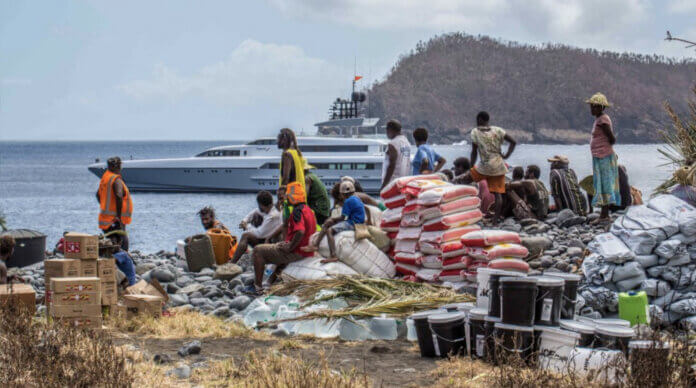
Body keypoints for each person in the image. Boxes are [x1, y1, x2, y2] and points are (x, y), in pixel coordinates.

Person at [244, 182, 316, 295]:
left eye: (288, 195)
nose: (286, 198)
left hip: (297, 251)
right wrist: (287, 243)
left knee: (258, 251)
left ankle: (257, 288)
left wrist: (290, 247)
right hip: (305, 250)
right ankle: (270, 281)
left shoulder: (297, 211)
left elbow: (300, 232)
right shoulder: (308, 210)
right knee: (279, 248)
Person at [461, 112, 517, 224]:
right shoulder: (498, 130)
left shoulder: (475, 132)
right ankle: (495, 220)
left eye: (477, 120)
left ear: (480, 120)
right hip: (498, 166)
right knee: (498, 194)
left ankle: (462, 210)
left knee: (463, 181)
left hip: (484, 166)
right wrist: (506, 155)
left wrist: (471, 167)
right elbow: (513, 142)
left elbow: (474, 152)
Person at [303, 181, 365, 262]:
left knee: (329, 231)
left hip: (353, 223)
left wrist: (333, 219)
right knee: (328, 224)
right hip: (355, 221)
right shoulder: (356, 198)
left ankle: (333, 255)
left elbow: (344, 217)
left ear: (343, 194)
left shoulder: (348, 201)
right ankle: (316, 245)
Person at [587, 93, 620, 222]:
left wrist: (604, 148)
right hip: (599, 156)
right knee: (601, 183)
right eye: (591, 106)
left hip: (604, 156)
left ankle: (604, 215)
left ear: (601, 107)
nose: (592, 109)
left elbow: (611, 138)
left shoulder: (603, 120)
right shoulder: (598, 120)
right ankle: (604, 214)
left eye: (594, 107)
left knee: (605, 184)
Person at [231, 191, 282, 263]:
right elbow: (253, 212)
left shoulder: (272, 216)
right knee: (255, 217)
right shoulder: (268, 209)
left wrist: (246, 226)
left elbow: (259, 233)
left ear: (261, 205)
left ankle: (232, 262)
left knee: (246, 235)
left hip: (271, 243)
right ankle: (233, 261)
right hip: (266, 238)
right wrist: (244, 221)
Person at [96, 157, 133, 250]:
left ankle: (114, 260)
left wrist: (104, 206)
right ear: (117, 167)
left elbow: (97, 195)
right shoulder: (116, 180)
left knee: (113, 240)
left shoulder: (105, 178)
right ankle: (124, 260)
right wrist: (119, 216)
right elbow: (119, 195)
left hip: (105, 216)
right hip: (115, 218)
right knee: (121, 238)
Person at [381, 119, 411, 190]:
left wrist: (384, 185)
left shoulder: (393, 144)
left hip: (392, 183)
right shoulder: (407, 143)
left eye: (387, 129)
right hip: (403, 181)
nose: (386, 132)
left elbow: (392, 165)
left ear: (391, 130)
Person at [277, 128, 305, 195]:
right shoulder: (297, 153)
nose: (277, 141)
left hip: (291, 196)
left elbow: (286, 177)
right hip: (300, 195)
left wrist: (281, 195)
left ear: (284, 140)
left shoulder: (287, 155)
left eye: (278, 138)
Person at [304, 161, 331, 225]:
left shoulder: (307, 178)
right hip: (324, 209)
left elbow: (304, 196)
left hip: (319, 210)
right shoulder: (311, 175)